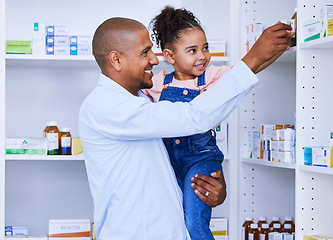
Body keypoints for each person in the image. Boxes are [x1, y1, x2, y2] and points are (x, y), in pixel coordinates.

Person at [78, 15, 292, 240]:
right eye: (145, 52)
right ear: (116, 59)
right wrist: (254, 57)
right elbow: (193, 116)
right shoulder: (105, 106)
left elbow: (158, 173)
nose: (154, 59)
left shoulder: (141, 99)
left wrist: (206, 190)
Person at [144, 6, 291, 239]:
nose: (202, 56)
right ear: (170, 56)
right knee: (172, 224)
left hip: (201, 159)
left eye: (205, 48)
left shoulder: (211, 77)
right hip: (168, 162)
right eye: (192, 50)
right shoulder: (158, 83)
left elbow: (248, 71)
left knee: (194, 225)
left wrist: (278, 48)